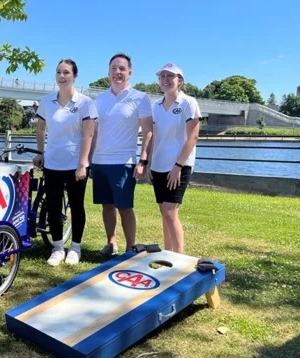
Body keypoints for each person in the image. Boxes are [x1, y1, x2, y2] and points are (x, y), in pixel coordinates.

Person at [33, 59, 97, 266]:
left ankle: (75, 248)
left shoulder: (85, 102)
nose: (62, 76)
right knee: (53, 206)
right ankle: (58, 247)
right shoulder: (46, 102)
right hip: (52, 163)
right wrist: (40, 153)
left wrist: (83, 163)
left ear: (75, 76)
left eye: (66, 72)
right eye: (59, 72)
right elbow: (41, 128)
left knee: (77, 206)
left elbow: (88, 135)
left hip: (75, 165)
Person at [90, 53, 153, 256]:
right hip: (100, 162)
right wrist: (88, 160)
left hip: (124, 162)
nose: (118, 72)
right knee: (107, 206)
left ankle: (130, 249)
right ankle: (111, 243)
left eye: (122, 69)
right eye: (114, 68)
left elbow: (148, 131)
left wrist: (143, 160)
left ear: (129, 73)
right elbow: (94, 131)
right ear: (109, 72)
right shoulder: (99, 99)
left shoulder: (140, 98)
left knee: (125, 207)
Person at [141, 63, 201, 253]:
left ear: (179, 80)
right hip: (158, 165)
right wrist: (149, 162)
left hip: (178, 166)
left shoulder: (188, 103)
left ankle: (179, 258)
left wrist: (178, 166)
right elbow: (154, 135)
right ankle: (167, 254)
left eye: (170, 76)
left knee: (170, 212)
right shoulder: (155, 106)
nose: (166, 80)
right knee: (164, 213)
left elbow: (193, 136)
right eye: (162, 76)